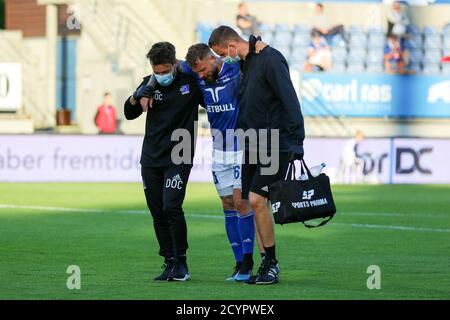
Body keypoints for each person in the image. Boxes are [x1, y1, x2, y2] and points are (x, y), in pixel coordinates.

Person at [209, 26, 305, 285]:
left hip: (274, 142)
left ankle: (272, 263)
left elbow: (290, 100)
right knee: (252, 202)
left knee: (256, 198)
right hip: (252, 143)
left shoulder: (271, 59)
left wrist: (297, 140)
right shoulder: (247, 62)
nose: (222, 60)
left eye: (221, 54)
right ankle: (266, 264)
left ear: (230, 46)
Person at [183, 43, 266, 282]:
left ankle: (249, 264)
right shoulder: (198, 75)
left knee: (241, 202)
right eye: (196, 72)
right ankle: (239, 263)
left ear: (212, 58)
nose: (200, 75)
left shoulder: (235, 71)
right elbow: (176, 65)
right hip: (218, 149)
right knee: (227, 204)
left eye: (202, 69)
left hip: (240, 148)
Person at [124, 42, 203, 282]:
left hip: (180, 153)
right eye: (156, 71)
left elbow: (213, 103)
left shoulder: (190, 83)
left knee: (171, 207)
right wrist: (136, 96)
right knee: (157, 211)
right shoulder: (148, 83)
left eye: (165, 71)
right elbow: (129, 113)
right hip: (151, 157)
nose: (161, 76)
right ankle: (169, 261)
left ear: (175, 64)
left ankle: (181, 263)